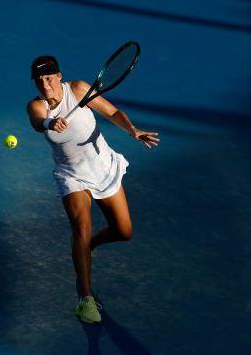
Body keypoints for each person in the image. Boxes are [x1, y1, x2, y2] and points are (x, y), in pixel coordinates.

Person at [26, 55, 159, 324]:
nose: (45, 84)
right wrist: (51, 122)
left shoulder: (77, 90)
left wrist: (132, 130)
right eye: (39, 80)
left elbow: (110, 112)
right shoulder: (36, 106)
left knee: (124, 231)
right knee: (81, 229)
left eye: (49, 77)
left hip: (103, 168)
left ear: (59, 76)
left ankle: (89, 247)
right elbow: (38, 122)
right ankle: (85, 299)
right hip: (72, 176)